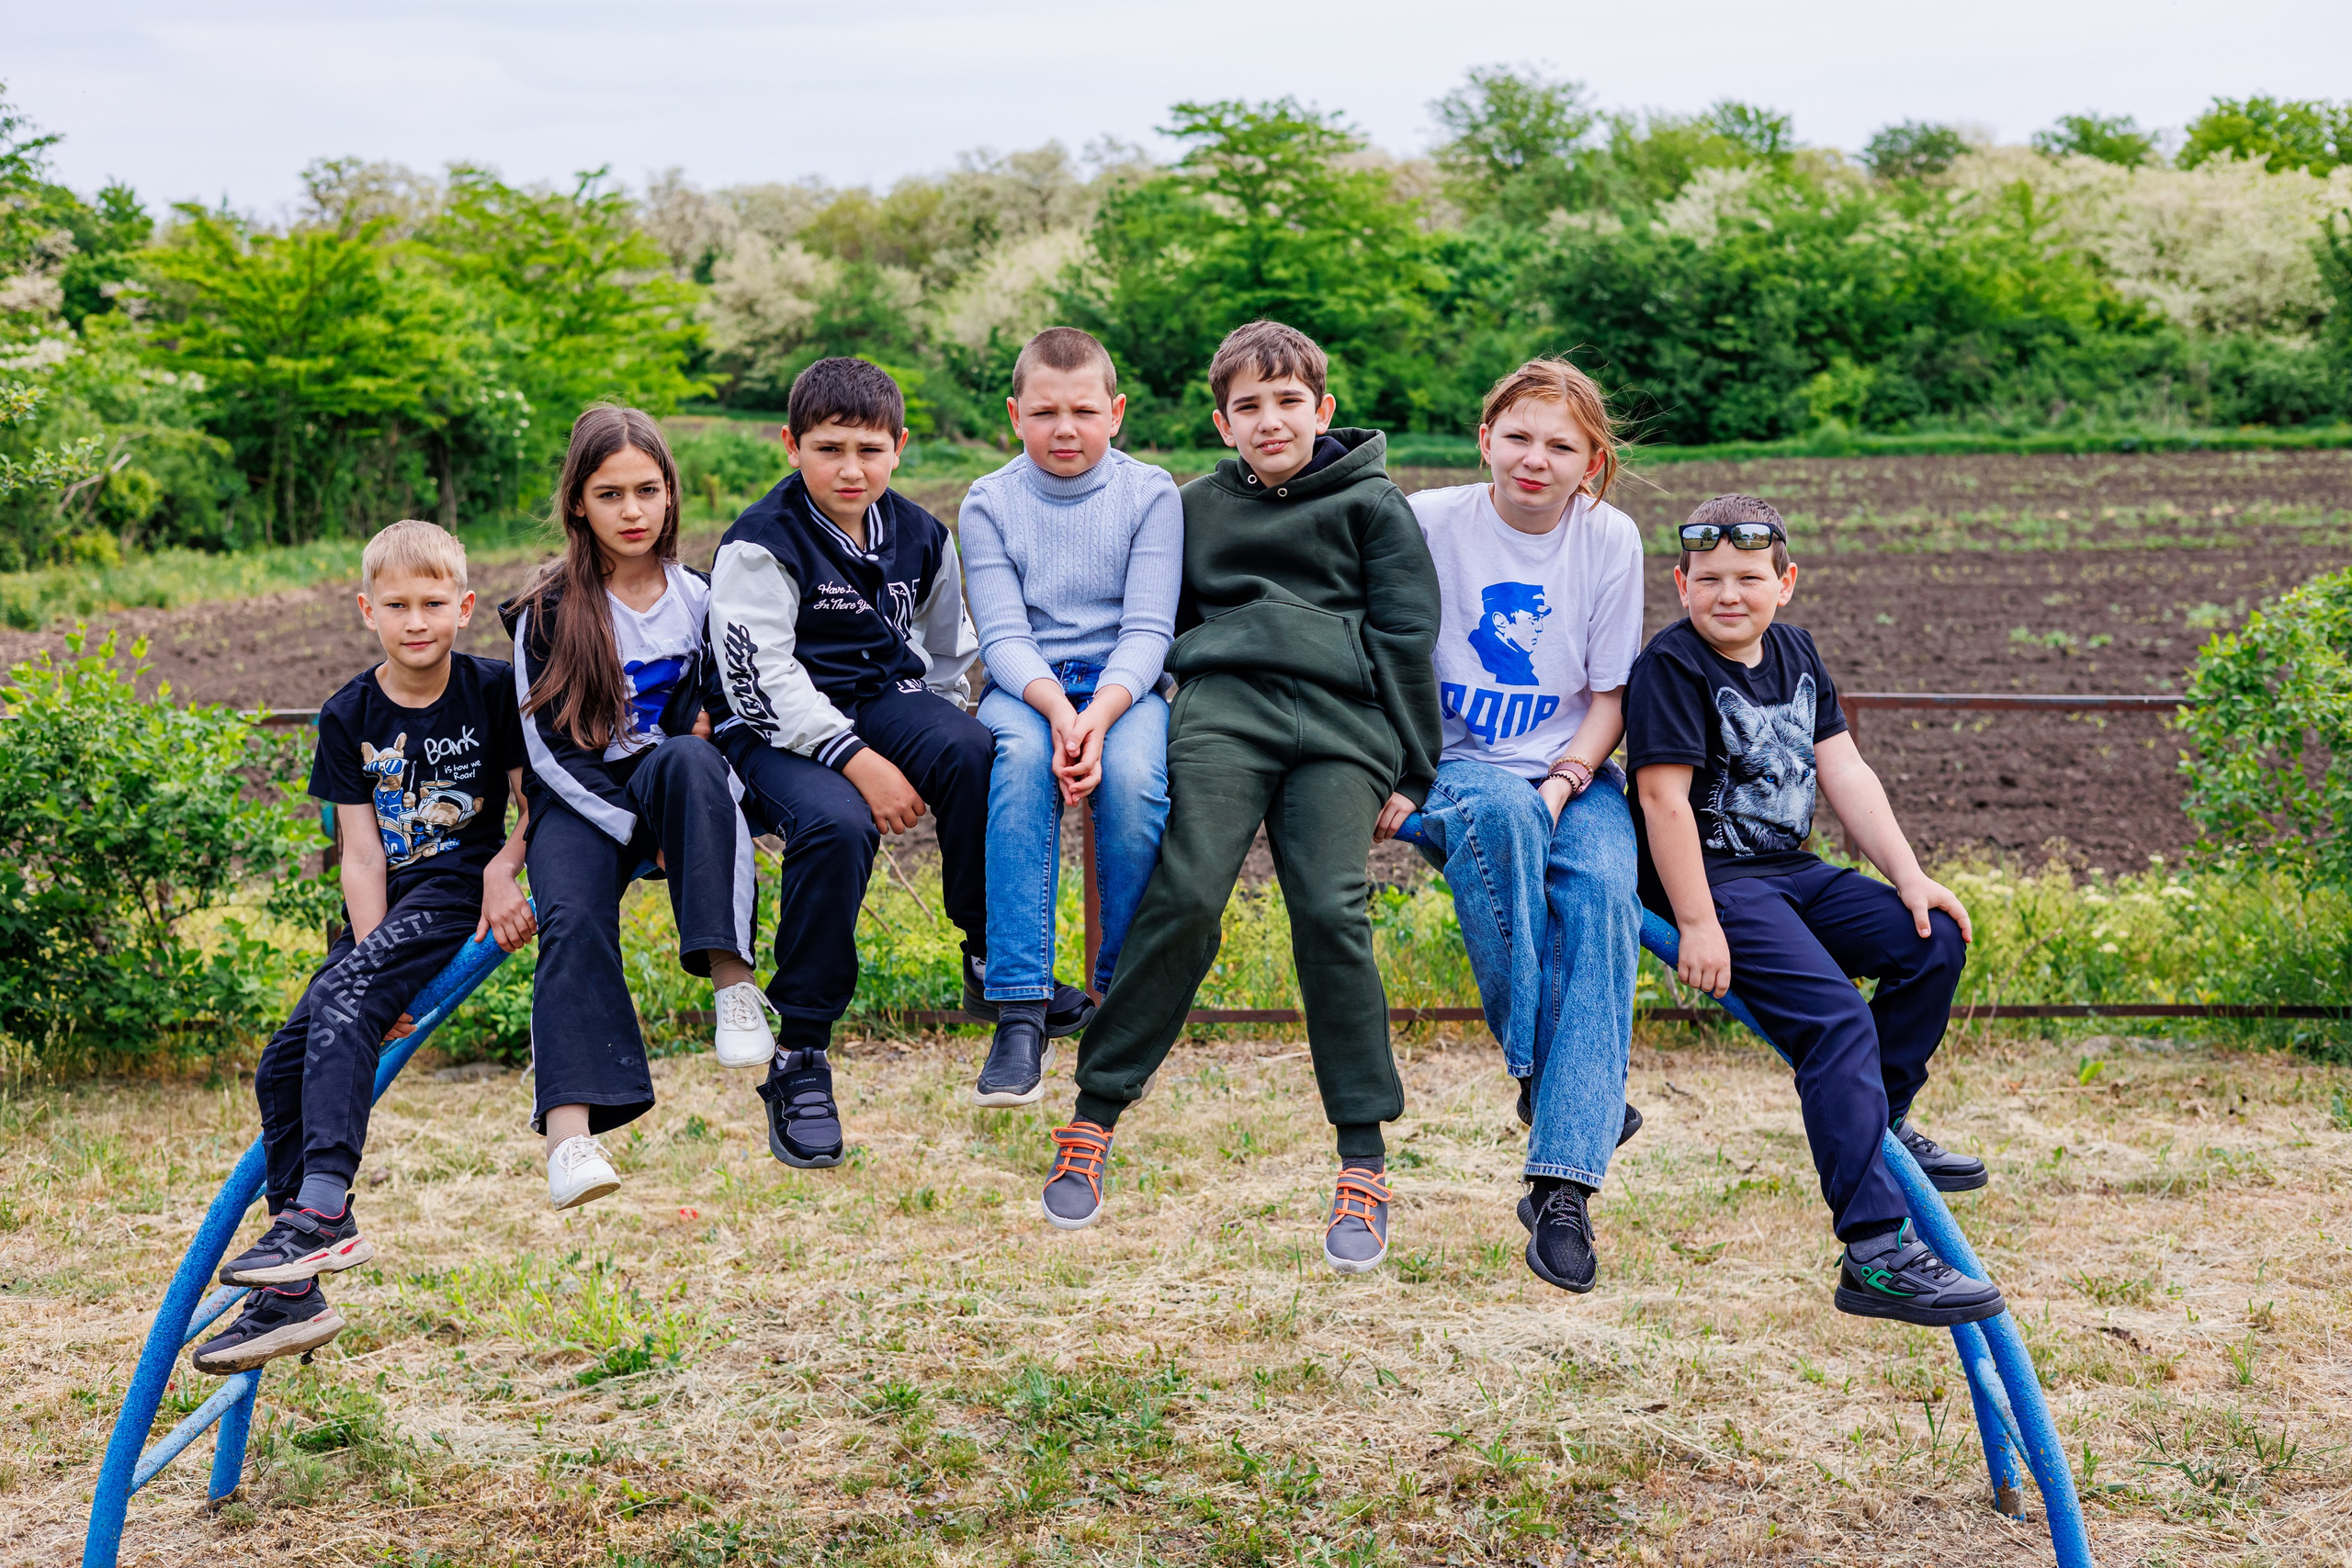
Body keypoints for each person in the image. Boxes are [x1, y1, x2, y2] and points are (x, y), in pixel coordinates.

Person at [1037, 320, 1442, 1276]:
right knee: (1187, 890)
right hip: (1226, 712)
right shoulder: (1193, 508)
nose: (1271, 421)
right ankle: (1095, 1112)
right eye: (1248, 406)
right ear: (1222, 423)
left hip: (1344, 727)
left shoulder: (1374, 506)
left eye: (1288, 401)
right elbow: (1158, 620)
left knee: (1331, 910)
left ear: (1322, 409)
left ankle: (1361, 1157)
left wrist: (1413, 771)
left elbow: (1405, 637)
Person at [1626, 493, 2004, 1327]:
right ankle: (1874, 1251)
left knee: (1932, 938)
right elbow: (1662, 800)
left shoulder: (1796, 651)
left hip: (1792, 872)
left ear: (1785, 582)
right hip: (1716, 882)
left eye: (1749, 578)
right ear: (1682, 584)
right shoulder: (1672, 665)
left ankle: (1885, 1124)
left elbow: (1845, 770)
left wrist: (1910, 876)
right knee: (1835, 1019)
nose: (1729, 594)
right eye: (1709, 579)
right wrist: (1696, 921)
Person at [194, 521, 534, 1373]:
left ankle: (322, 1210)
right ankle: (292, 1293)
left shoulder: (494, 690)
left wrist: (505, 868)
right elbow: (360, 852)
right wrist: (373, 968)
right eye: (397, 605)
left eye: (433, 603)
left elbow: (538, 803)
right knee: (282, 1065)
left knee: (346, 999)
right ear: (366, 610)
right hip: (384, 910)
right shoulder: (349, 712)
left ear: (463, 607)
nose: (416, 621)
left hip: (455, 889)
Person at [1399, 358, 1646, 1295]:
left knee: (1605, 897)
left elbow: (1610, 695)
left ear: (1592, 463)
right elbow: (1374, 652)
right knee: (1501, 813)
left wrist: (1567, 782)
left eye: (1561, 446)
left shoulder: (1608, 538)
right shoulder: (1428, 522)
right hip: (1455, 767)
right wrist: (1390, 773)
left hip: (1574, 767)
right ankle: (1562, 1087)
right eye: (1518, 437)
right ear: (1484, 441)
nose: (1535, 459)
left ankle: (1561, 1189)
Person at [706, 356, 989, 1168]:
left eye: (870, 449)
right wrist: (860, 761)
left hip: (877, 697)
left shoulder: (923, 535)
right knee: (836, 822)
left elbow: (946, 651)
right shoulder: (761, 543)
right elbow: (761, 677)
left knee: (971, 749)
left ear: (900, 446)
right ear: (791, 445)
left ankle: (988, 954)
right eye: (829, 449)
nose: (851, 469)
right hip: (770, 726)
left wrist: (925, 729)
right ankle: (801, 1052)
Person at [501, 405, 772, 1213]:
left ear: (670, 494)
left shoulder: (702, 599)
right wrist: (632, 832)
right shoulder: (548, 608)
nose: (632, 511)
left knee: (691, 756)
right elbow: (547, 751)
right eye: (610, 494)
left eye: (647, 490)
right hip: (578, 798)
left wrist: (676, 821)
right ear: (578, 503)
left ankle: (732, 984)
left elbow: (723, 721)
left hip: (668, 785)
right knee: (572, 915)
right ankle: (569, 1138)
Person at [957, 327, 1182, 1106]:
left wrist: (1100, 714)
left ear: (1115, 413)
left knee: (1135, 777)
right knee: (1019, 765)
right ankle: (1020, 1007)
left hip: (1128, 686)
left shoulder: (1150, 494)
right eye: (1044, 412)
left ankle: (1122, 1004)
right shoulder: (989, 502)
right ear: (1014, 414)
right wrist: (1057, 710)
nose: (1064, 429)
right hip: (1027, 689)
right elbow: (1002, 635)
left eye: (1084, 411)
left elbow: (1149, 629)